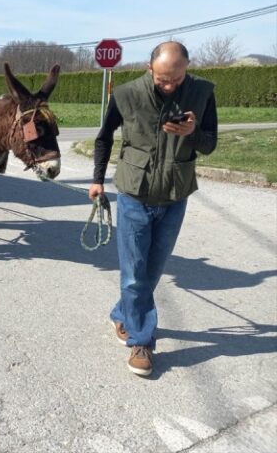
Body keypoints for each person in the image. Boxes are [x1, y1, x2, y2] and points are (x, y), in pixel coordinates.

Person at [88, 41, 217, 377]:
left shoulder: (202, 93)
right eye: (162, 80)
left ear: (188, 67)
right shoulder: (127, 94)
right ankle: (142, 341)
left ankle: (122, 315)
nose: (170, 85)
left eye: (176, 78)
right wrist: (97, 179)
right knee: (134, 273)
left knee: (152, 270)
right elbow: (104, 138)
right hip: (134, 192)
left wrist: (192, 132)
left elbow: (210, 143)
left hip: (175, 195)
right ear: (150, 69)